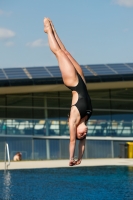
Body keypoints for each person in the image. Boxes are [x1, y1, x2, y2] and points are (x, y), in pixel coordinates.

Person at [44, 18, 92, 166]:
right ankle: (53, 30)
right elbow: (81, 144)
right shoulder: (86, 118)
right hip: (82, 80)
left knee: (59, 53)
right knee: (66, 52)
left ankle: (48, 31)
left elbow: (73, 141)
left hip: (73, 82)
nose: (83, 134)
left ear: (75, 130)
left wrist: (71, 158)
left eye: (80, 134)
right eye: (83, 135)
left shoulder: (74, 121)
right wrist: (80, 159)